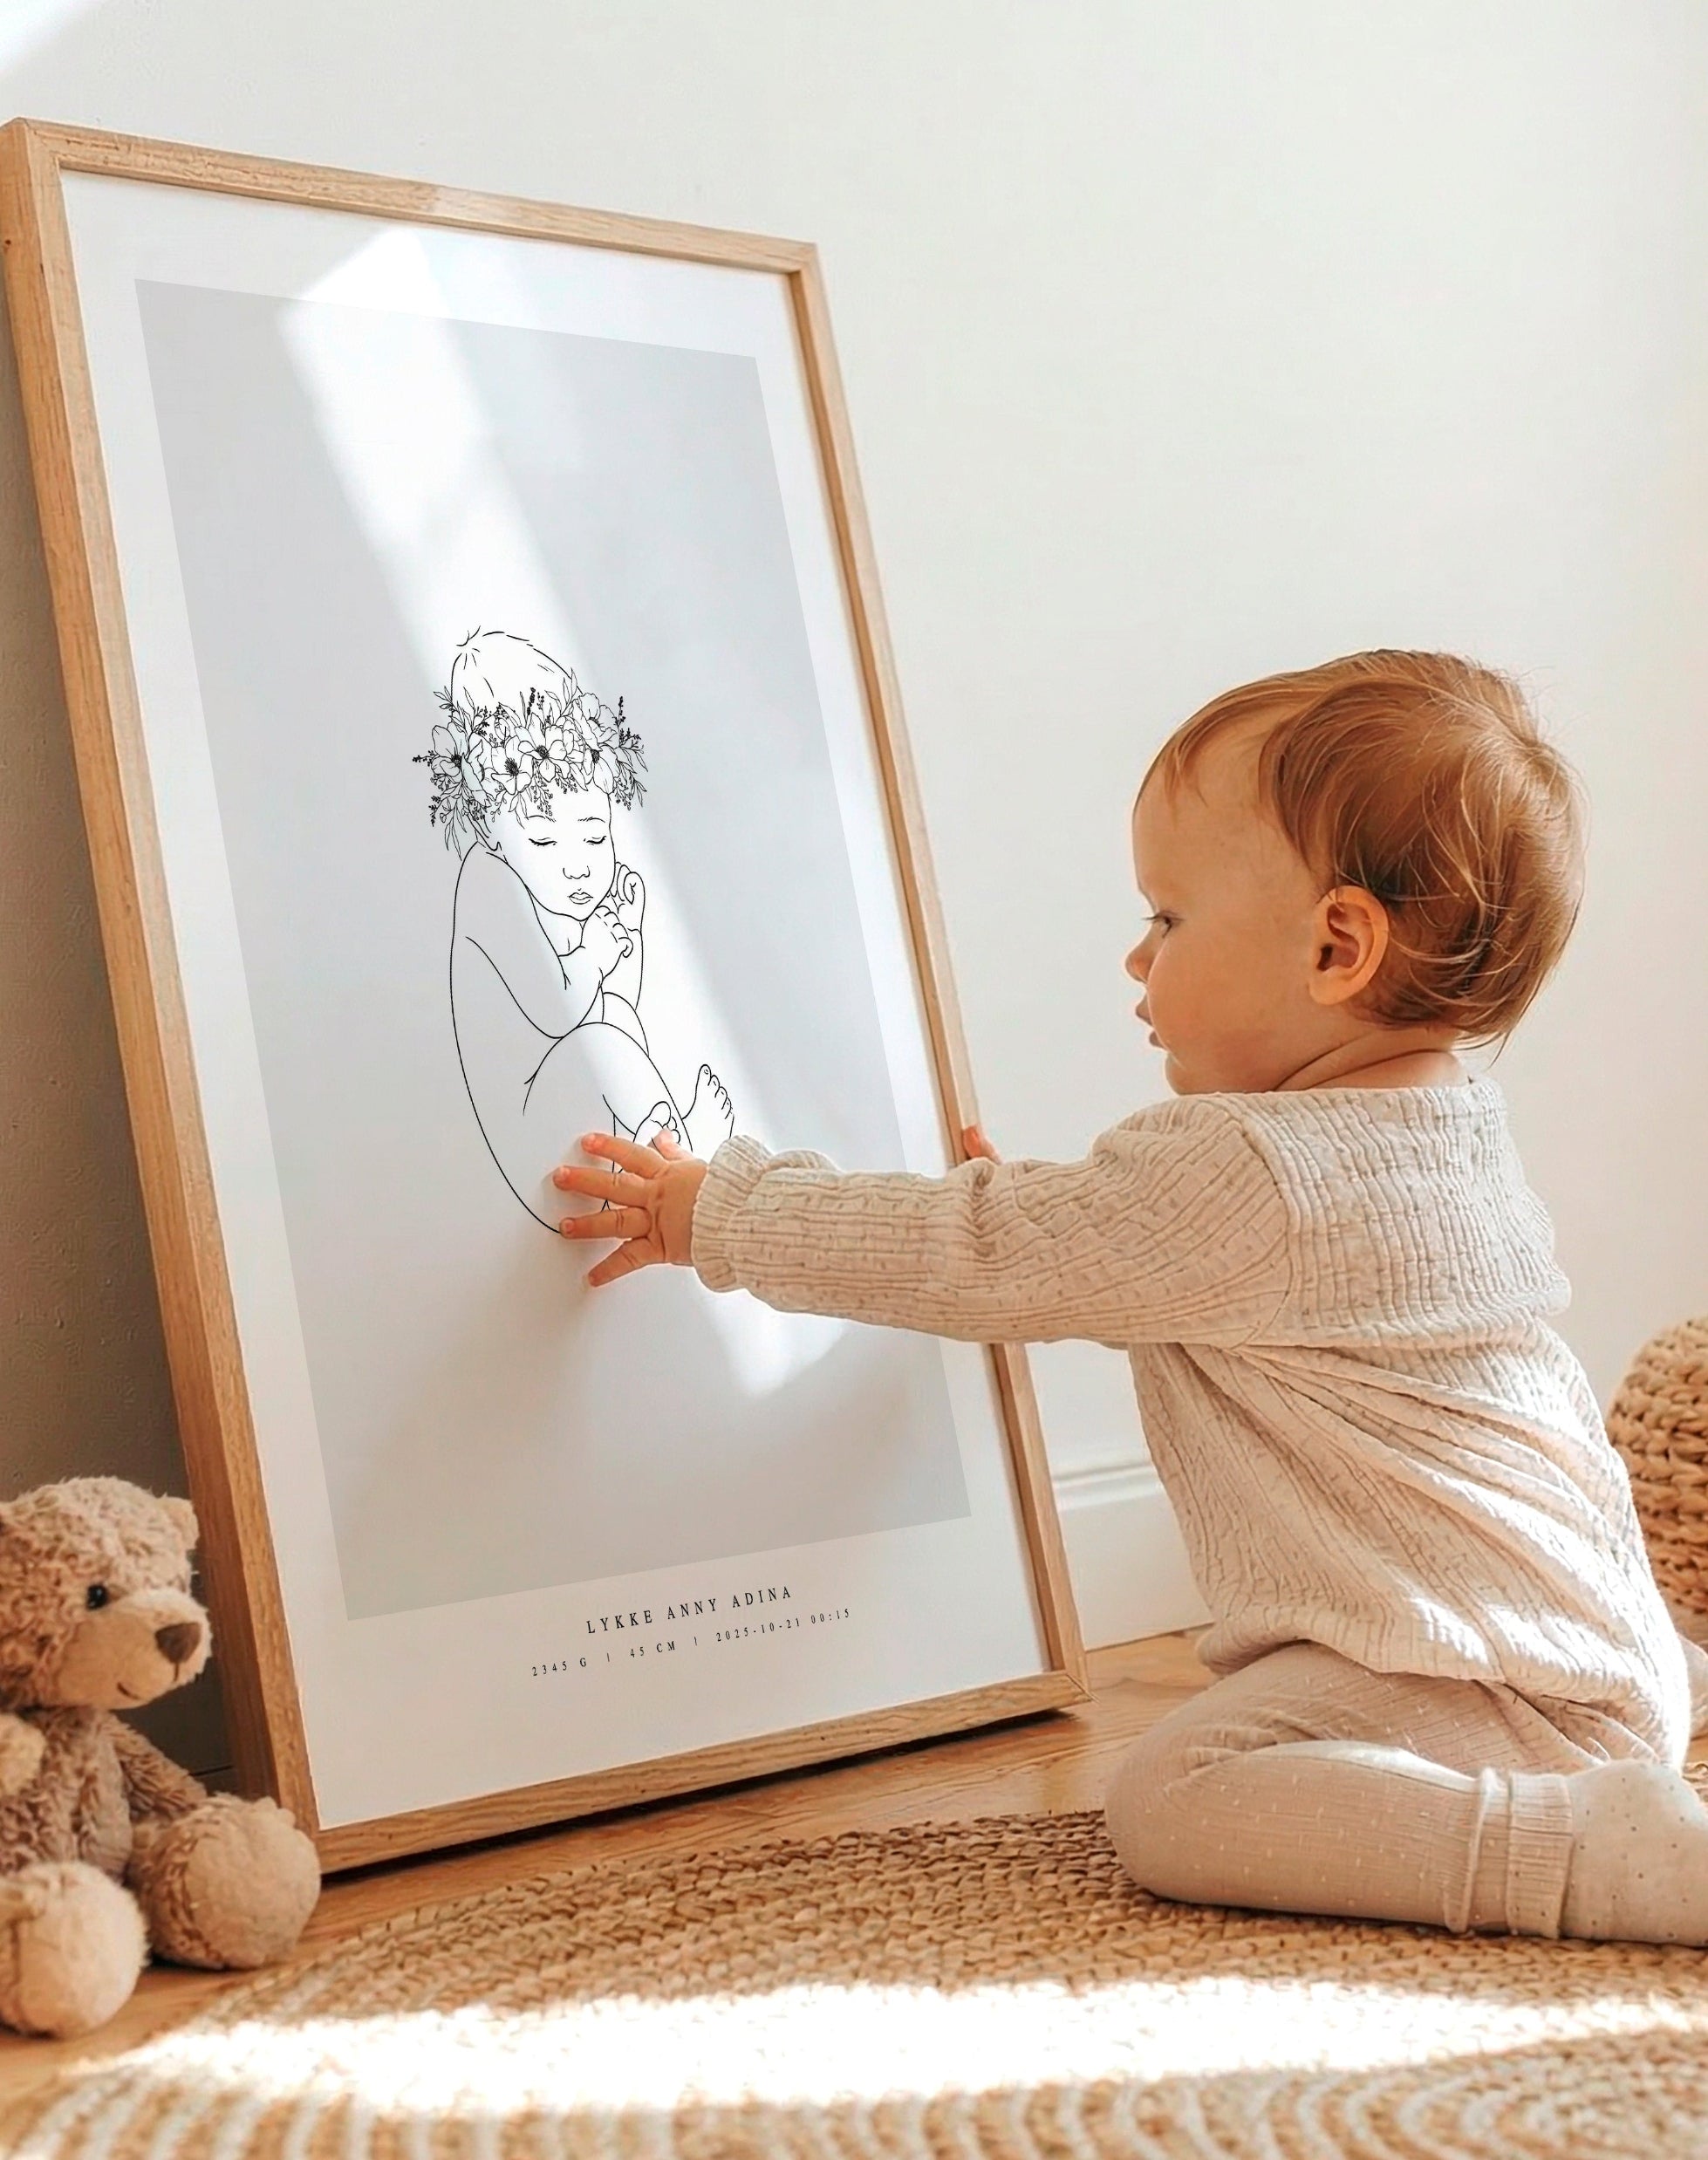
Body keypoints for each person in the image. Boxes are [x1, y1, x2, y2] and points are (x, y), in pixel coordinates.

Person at [550, 648, 1708, 1945]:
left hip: (1482, 1686)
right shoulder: (1447, 1133)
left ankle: (1583, 1856)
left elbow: (974, 1252)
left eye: (1166, 919)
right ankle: (1626, 1749)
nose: (1133, 956)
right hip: (1590, 1644)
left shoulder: (1250, 1169)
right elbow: (1176, 1285)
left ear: (1335, 947)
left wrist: (721, 1211)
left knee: (1176, 1795)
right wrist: (1061, 1230)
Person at [417, 629, 734, 1229]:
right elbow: (556, 1012)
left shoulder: (549, 895)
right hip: (529, 1123)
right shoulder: (489, 888)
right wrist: (595, 953)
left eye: (594, 835)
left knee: (615, 1021)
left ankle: (669, 1160)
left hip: (573, 1108)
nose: (577, 864)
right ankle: (678, 1150)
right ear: (492, 832)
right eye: (543, 840)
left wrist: (626, 944)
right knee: (608, 1036)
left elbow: (611, 1003)